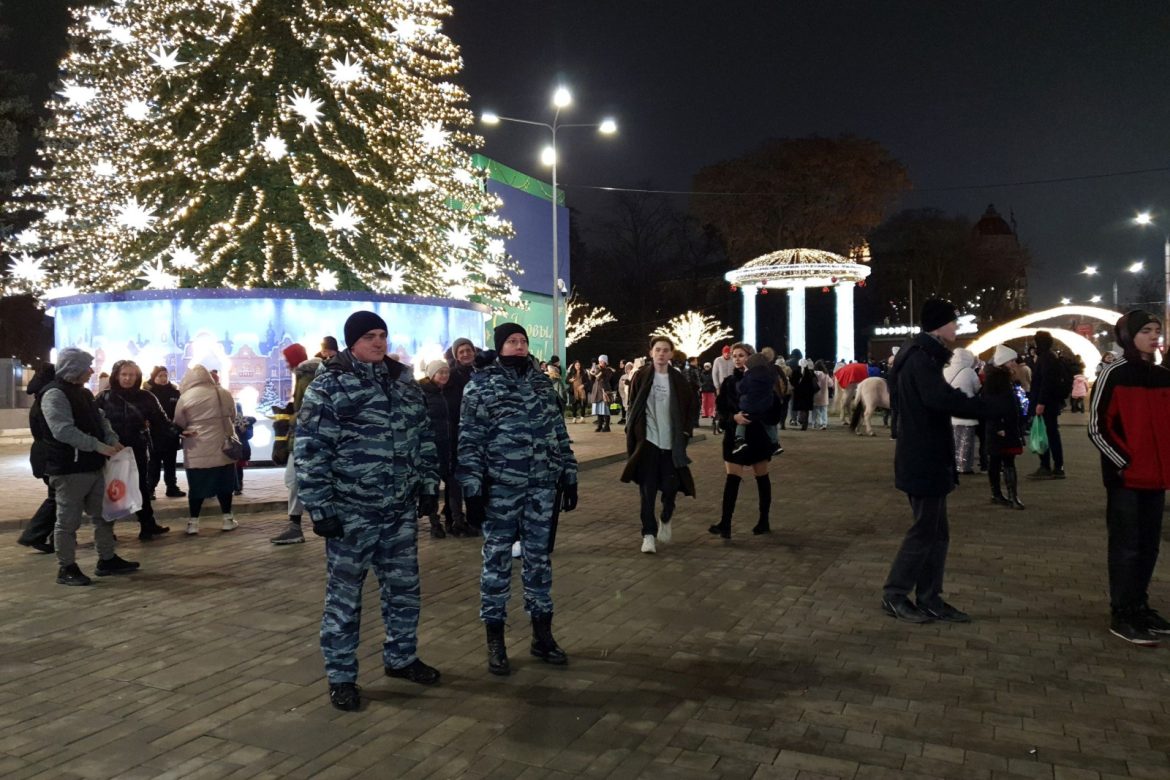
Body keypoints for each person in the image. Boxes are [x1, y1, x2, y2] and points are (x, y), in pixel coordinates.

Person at [295, 310, 442, 710]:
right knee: (345, 598)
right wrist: (320, 506)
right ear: (352, 342)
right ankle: (341, 675)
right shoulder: (329, 386)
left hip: (398, 512)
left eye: (382, 335)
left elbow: (423, 438)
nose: (378, 342)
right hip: (351, 513)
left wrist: (429, 486)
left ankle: (401, 657)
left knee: (404, 589)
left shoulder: (403, 383)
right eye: (369, 336)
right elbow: (310, 450)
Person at [457, 323, 578, 676]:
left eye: (523, 341)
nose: (520, 346)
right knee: (496, 563)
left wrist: (568, 474)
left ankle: (543, 636)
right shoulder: (480, 384)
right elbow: (469, 440)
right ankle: (495, 641)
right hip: (501, 489)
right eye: (512, 341)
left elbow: (559, 431)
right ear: (500, 347)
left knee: (538, 560)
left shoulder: (542, 382)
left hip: (541, 486)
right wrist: (472, 489)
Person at [881, 300, 1004, 625]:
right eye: (953, 322)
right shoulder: (921, 359)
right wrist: (988, 407)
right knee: (925, 531)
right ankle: (895, 594)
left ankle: (929, 597)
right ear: (939, 325)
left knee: (937, 533)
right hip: (923, 455)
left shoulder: (919, 356)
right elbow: (939, 399)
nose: (957, 328)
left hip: (926, 454)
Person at [1087, 310, 1170, 646]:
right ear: (1128, 336)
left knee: (1148, 546)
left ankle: (1139, 605)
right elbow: (1097, 426)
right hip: (1126, 480)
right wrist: (1124, 461)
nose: (1154, 336)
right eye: (1146, 330)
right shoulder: (1114, 374)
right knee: (1126, 547)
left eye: (1157, 330)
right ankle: (1122, 612)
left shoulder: (1163, 376)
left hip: (1156, 477)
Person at [29, 348, 139, 585]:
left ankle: (107, 559)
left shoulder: (83, 393)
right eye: (87, 366)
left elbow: (100, 419)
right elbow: (62, 430)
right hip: (69, 469)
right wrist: (98, 446)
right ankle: (66, 567)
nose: (91, 370)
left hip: (92, 465)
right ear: (74, 368)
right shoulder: (54, 394)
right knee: (68, 522)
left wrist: (110, 439)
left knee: (104, 515)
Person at [620, 336, 696, 554]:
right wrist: (632, 432)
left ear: (671, 354)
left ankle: (666, 515)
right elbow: (633, 406)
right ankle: (648, 534)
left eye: (665, 350)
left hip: (671, 443)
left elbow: (691, 407)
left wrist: (685, 432)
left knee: (671, 487)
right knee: (647, 490)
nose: (661, 354)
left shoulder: (679, 380)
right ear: (651, 352)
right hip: (648, 442)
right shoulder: (641, 376)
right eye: (657, 350)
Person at [96, 360, 183, 540]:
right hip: (111, 450)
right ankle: (108, 530)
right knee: (111, 488)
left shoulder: (146, 397)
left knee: (141, 485)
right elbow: (94, 423)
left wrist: (180, 432)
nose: (128, 378)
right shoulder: (104, 397)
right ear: (116, 376)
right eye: (124, 374)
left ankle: (147, 524)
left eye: (132, 375)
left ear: (137, 377)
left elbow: (162, 421)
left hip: (137, 447)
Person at [711, 343, 783, 537]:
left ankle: (764, 520)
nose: (737, 359)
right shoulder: (728, 383)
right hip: (735, 436)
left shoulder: (766, 381)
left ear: (751, 358)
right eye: (734, 356)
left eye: (741, 355)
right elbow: (721, 410)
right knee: (732, 479)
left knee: (762, 478)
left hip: (758, 435)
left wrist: (758, 415)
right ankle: (725, 523)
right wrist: (733, 418)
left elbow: (775, 409)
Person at [173, 365, 239, 535]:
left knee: (196, 487)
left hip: (196, 448)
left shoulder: (186, 397)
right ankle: (227, 519)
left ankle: (193, 522)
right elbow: (232, 415)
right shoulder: (223, 393)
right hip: (223, 447)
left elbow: (179, 422)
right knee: (225, 485)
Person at [270, 344, 321, 545]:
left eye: (286, 359)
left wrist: (291, 418)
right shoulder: (307, 374)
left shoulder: (305, 375)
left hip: (305, 438)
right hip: (306, 438)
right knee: (296, 480)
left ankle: (296, 526)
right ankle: (296, 525)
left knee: (294, 479)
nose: (285, 363)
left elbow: (307, 410)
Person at [442, 336, 481, 536]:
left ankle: (475, 518)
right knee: (455, 480)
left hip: (478, 435)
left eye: (468, 350)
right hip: (457, 434)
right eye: (461, 351)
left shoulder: (480, 372)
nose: (465, 354)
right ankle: (454, 519)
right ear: (456, 356)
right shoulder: (452, 376)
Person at [18, 363, 58, 554]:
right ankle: (35, 535)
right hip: (49, 454)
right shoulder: (48, 399)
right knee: (57, 497)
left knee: (57, 496)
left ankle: (52, 535)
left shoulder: (40, 398)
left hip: (43, 454)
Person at [983, 345, 1026, 510]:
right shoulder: (995, 380)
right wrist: (999, 424)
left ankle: (1007, 495)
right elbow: (992, 404)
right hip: (1000, 426)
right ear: (1003, 362)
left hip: (1006, 425)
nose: (1014, 363)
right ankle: (1004, 495)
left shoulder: (1003, 378)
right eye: (1011, 361)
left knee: (1004, 460)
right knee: (1000, 460)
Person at [420, 359, 453, 539]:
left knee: (449, 482)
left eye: (446, 372)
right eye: (440, 372)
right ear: (432, 375)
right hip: (431, 446)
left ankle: (449, 517)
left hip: (445, 444)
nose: (444, 375)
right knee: (431, 485)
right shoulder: (424, 394)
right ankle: (434, 522)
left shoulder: (444, 393)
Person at [1028, 331, 1066, 479]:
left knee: (1045, 434)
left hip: (1045, 403)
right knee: (1051, 433)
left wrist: (1041, 402)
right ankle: (1057, 466)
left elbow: (1045, 382)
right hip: (1051, 403)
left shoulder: (1045, 358)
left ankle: (1047, 466)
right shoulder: (1050, 356)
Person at [145, 366, 185, 498]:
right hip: (154, 434)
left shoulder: (174, 392)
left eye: (165, 376)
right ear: (154, 377)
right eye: (160, 376)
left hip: (170, 434)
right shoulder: (147, 393)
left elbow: (180, 412)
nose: (163, 379)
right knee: (153, 464)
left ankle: (171, 487)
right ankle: (150, 489)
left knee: (170, 463)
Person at [943, 348, 981, 475]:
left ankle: (951, 464)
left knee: (951, 440)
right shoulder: (970, 372)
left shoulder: (945, 371)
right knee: (966, 441)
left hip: (949, 412)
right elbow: (977, 388)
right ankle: (964, 466)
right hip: (966, 410)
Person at [732, 352, 780, 454]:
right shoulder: (768, 375)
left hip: (750, 406)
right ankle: (775, 444)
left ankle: (739, 440)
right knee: (768, 424)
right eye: (734, 356)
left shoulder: (749, 376)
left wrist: (739, 383)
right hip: (765, 406)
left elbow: (741, 388)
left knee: (743, 420)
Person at [588, 355, 615, 432]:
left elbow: (605, 379)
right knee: (598, 409)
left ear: (605, 362)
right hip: (596, 391)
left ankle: (607, 426)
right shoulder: (596, 368)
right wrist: (591, 373)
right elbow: (591, 379)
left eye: (601, 361)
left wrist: (598, 372)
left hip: (605, 391)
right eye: (599, 361)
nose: (600, 363)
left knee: (605, 409)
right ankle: (599, 425)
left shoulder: (608, 370)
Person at [790, 359, 816, 431]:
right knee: (806, 409)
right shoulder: (810, 372)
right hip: (808, 393)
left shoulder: (795, 371)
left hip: (799, 393)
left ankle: (801, 422)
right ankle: (805, 424)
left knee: (801, 408)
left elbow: (792, 382)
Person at [812, 360, 833, 430]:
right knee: (824, 410)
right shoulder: (826, 375)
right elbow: (831, 384)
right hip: (824, 396)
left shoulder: (813, 374)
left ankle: (814, 424)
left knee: (815, 410)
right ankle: (824, 424)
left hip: (815, 395)